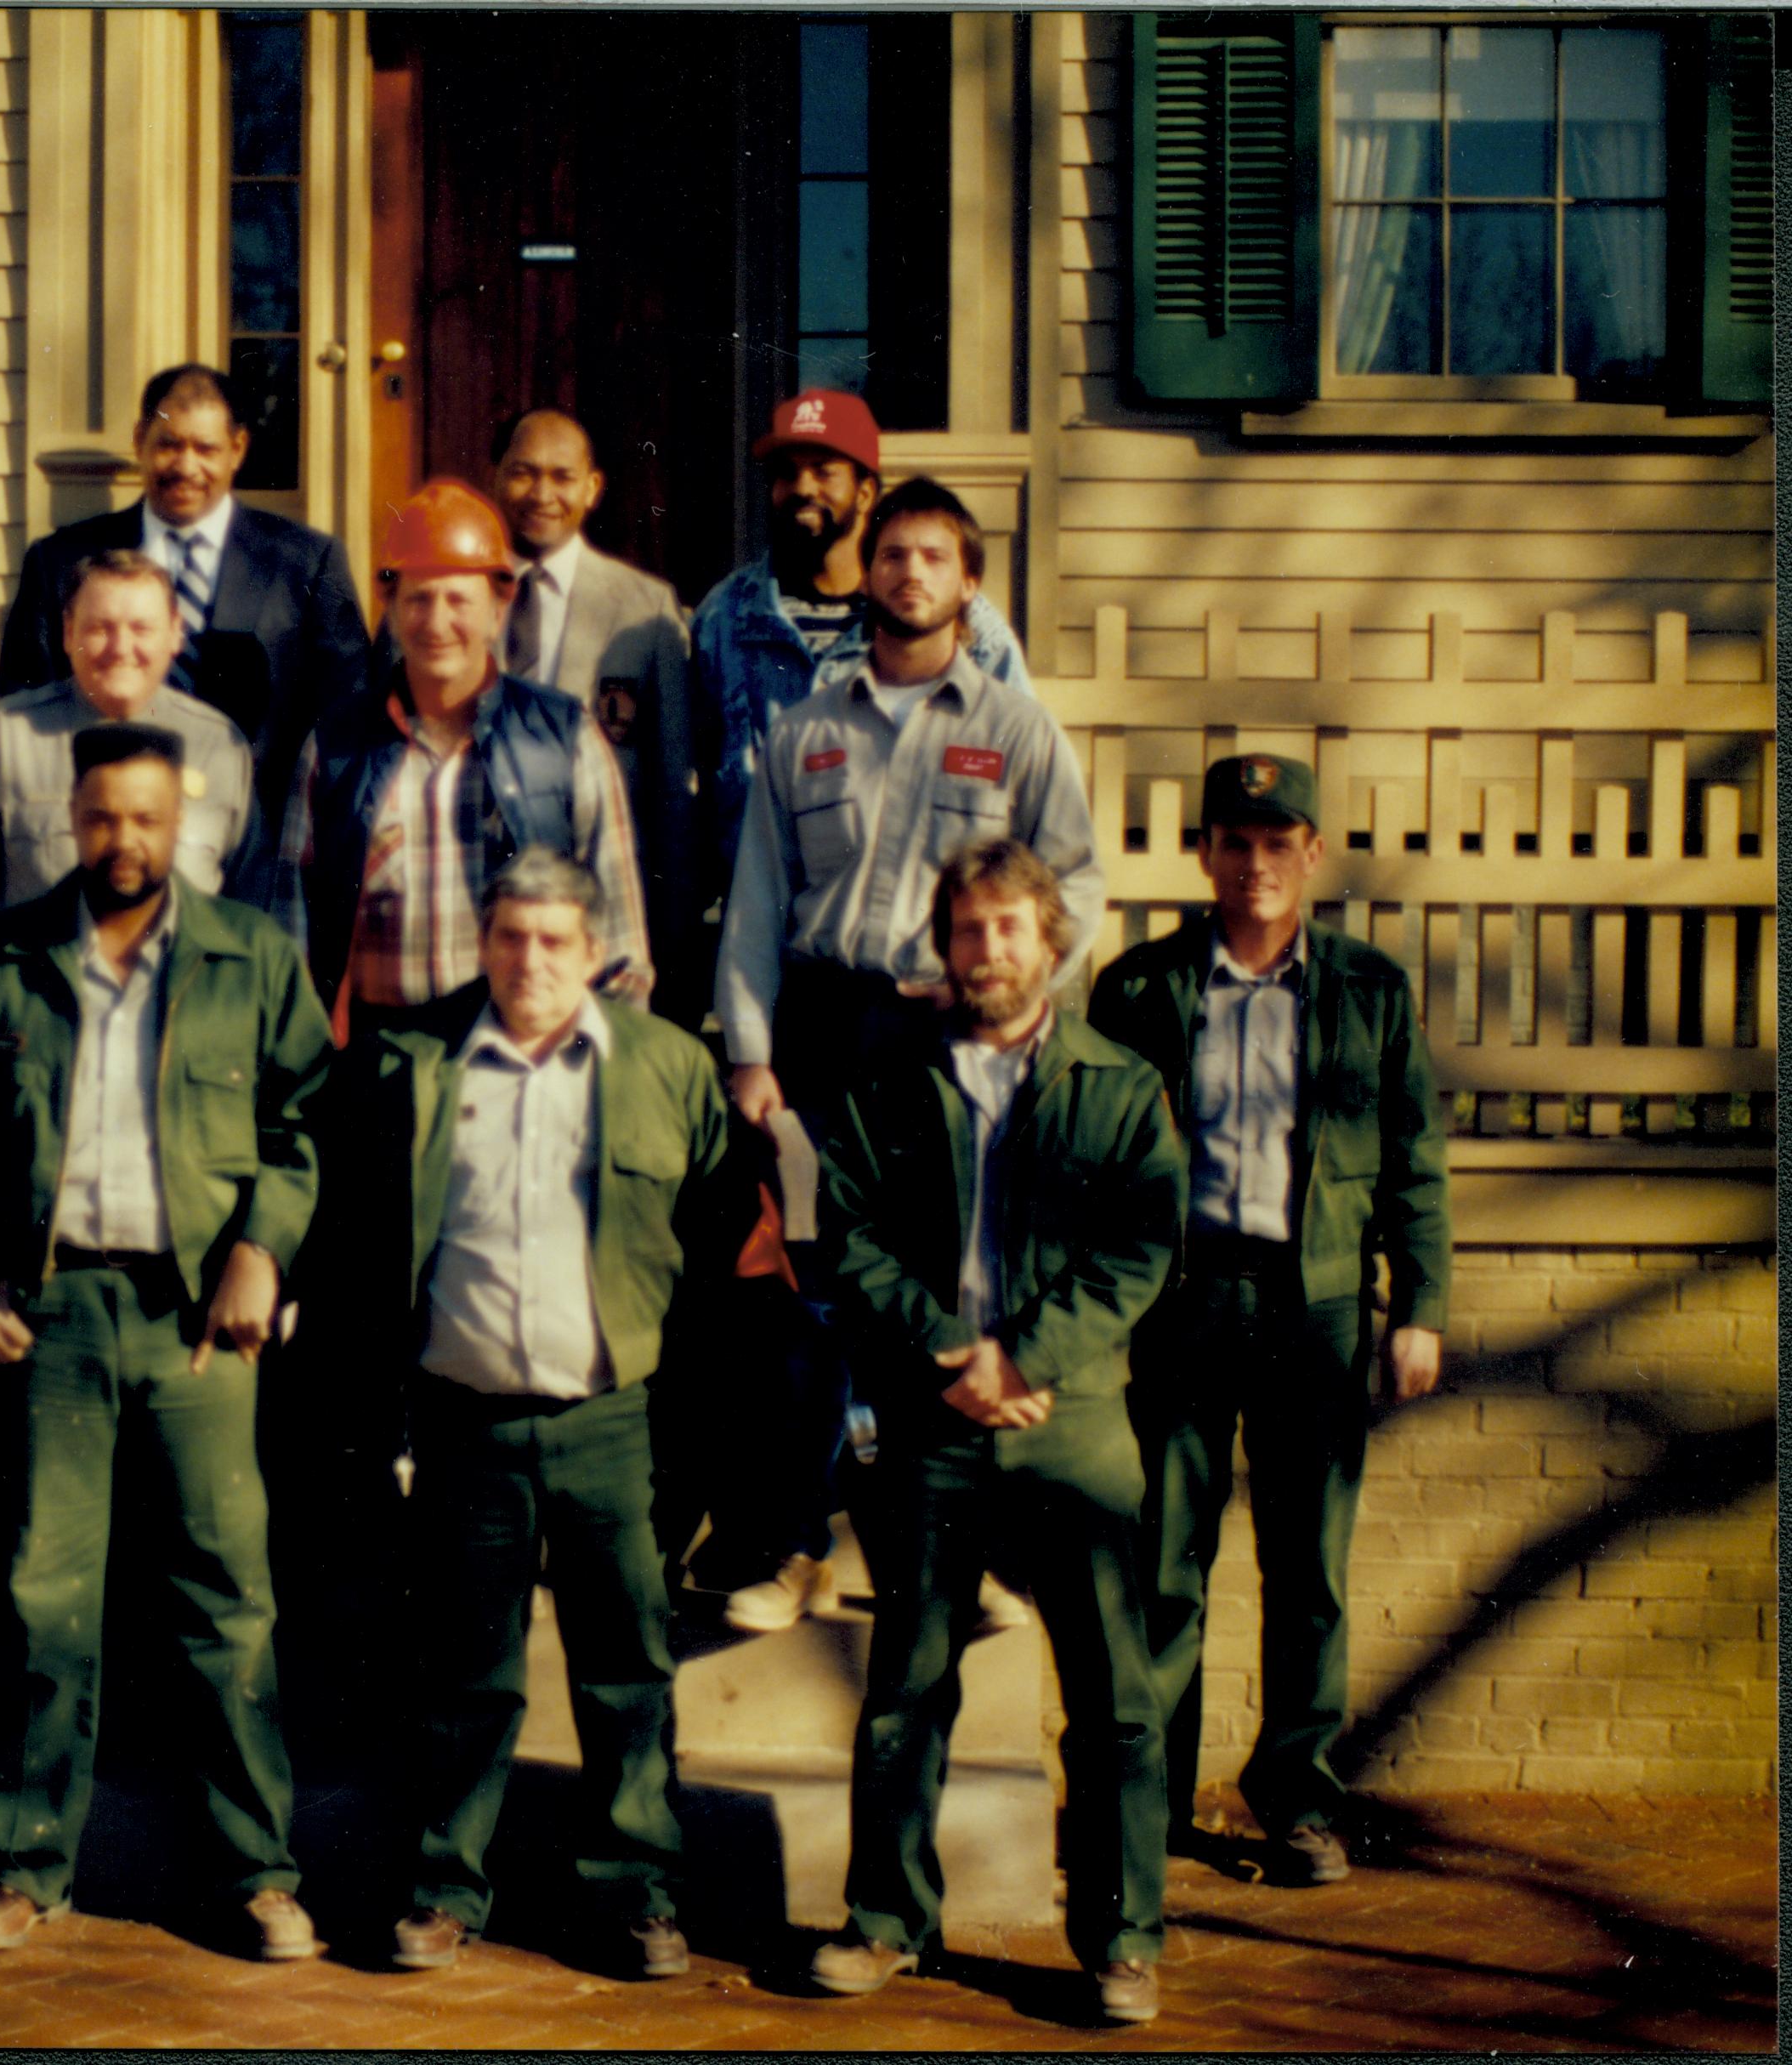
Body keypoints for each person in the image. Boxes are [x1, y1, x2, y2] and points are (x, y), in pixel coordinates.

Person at [0, 723, 333, 1963]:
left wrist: (263, 1245)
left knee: (227, 1603)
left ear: (183, 826)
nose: (124, 841)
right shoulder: (2, 958)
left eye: (147, 819)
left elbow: (302, 1120)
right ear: (71, 819)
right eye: (102, 818)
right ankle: (21, 1863)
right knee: (42, 1600)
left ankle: (257, 1873)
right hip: (51, 1322)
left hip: (195, 1325)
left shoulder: (249, 956)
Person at [326, 850, 747, 1980]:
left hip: (611, 1419)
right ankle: (441, 1888)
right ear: (481, 940)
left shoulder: (662, 1064)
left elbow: (717, 1242)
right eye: (509, 937)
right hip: (463, 1420)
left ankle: (636, 1890)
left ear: (595, 949)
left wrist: (691, 1419)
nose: (529, 960)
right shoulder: (414, 1063)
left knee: (623, 1671)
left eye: (554, 939)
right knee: (464, 1674)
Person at [706, 476, 1097, 1633]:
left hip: (947, 1038)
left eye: (934, 557)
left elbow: (1074, 881)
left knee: (933, 1286)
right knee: (806, 1293)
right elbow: (756, 901)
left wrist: (1017, 996)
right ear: (866, 577)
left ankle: (952, 1556)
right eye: (892, 556)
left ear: (968, 585)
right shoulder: (805, 731)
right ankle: (792, 1547)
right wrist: (747, 1049)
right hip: (824, 1033)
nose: (909, 574)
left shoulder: (1014, 733)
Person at [805, 839, 1182, 2027]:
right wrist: (940, 1351)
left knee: (1113, 1695)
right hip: (933, 1425)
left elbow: (1139, 1248)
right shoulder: (889, 1075)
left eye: (1006, 929)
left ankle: (1119, 1937)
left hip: (1066, 1424)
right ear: (943, 942)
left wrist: (1023, 1355)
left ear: (1050, 942)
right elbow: (849, 1234)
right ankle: (883, 1918)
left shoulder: (1115, 1085)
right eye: (965, 931)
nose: (985, 952)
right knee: (906, 1682)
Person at [1089, 754, 1451, 1884]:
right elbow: (1096, 1159)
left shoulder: (1367, 991)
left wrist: (1419, 1306)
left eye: (1275, 843)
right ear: (1202, 853)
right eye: (1233, 842)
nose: (1253, 865)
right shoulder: (1139, 988)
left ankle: (1294, 1799)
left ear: (1309, 855)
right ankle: (1149, 1801)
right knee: (1164, 1563)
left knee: (1308, 1570)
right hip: (1181, 1310)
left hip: (1315, 1310)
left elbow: (1412, 1162)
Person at [277, 479, 653, 1038]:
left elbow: (619, 945)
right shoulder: (335, 745)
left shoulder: (565, 737)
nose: (436, 623)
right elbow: (292, 928)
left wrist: (594, 1072)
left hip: (525, 1057)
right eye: (418, 599)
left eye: (458, 600)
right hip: (382, 1063)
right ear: (392, 608)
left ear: (498, 609)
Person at [0, 362, 371, 835]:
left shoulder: (306, 563)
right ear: (139, 442)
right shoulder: (60, 562)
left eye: (205, 449)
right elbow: (27, 698)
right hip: (105, 828)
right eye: (169, 445)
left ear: (237, 449)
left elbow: (349, 706)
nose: (185, 467)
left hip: (255, 836)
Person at [689, 389, 1030, 883]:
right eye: (787, 472)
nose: (802, 487)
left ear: (867, 492)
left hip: (910, 924)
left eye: (824, 470)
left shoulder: (965, 629)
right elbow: (691, 786)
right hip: (764, 917)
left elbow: (1020, 780)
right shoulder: (725, 619)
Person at [0, 548, 259, 969]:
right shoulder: (9, 735)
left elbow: (250, 917)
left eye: (142, 628)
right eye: (100, 628)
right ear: (68, 633)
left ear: (175, 634)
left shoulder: (220, 747)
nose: (121, 648)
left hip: (178, 1018)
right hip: (39, 1014)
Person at [484, 409, 703, 1024]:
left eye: (562, 476)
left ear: (592, 487)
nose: (543, 494)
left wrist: (673, 939)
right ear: (495, 477)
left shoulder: (644, 609)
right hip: (470, 915)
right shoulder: (451, 592)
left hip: (594, 925)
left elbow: (671, 793)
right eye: (523, 474)